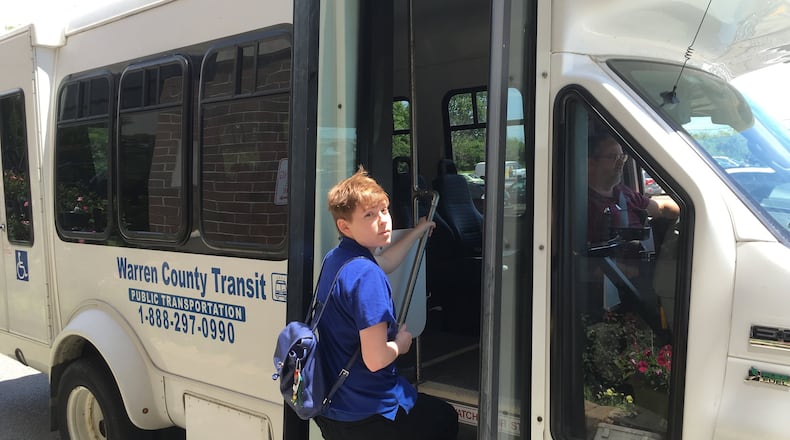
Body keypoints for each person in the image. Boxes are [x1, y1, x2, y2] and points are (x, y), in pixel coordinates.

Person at [314, 166, 459, 440]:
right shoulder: (367, 278)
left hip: (332, 405)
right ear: (344, 226)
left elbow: (386, 262)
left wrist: (418, 231)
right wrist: (401, 344)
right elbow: (376, 358)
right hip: (368, 413)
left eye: (384, 210)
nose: (383, 221)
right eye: (369, 215)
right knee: (443, 418)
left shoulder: (338, 259)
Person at [587, 134, 680, 246]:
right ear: (591, 163)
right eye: (613, 157)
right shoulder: (585, 204)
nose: (621, 164)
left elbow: (661, 208)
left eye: (622, 157)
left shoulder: (624, 192)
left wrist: (692, 211)